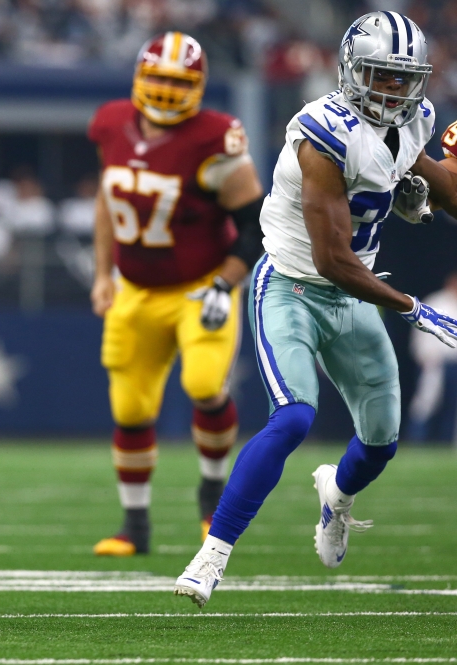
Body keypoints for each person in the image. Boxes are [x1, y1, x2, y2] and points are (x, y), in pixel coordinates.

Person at [174, 11, 457, 608]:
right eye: (381, 76)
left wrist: (425, 189)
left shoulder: (416, 120)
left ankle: (338, 498)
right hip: (297, 285)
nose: (393, 91)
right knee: (294, 419)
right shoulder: (321, 132)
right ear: (353, 72)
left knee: (380, 443)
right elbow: (332, 259)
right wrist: (413, 308)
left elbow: (438, 185)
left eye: (405, 79)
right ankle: (211, 555)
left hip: (355, 292)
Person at [88, 32, 265, 556]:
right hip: (135, 290)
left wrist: (223, 283)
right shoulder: (110, 122)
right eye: (158, 79)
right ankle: (134, 527)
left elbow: (254, 230)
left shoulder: (216, 137)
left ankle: (213, 500)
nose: (165, 91)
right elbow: (105, 203)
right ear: (140, 79)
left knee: (205, 383)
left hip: (198, 287)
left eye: (177, 82)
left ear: (198, 87)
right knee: (130, 407)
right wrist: (102, 274)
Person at [406, 272, 457, 442]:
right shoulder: (436, 302)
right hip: (436, 363)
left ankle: (446, 444)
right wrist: (425, 356)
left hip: (455, 363)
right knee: (425, 405)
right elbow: (421, 330)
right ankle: (416, 441)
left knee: (453, 408)